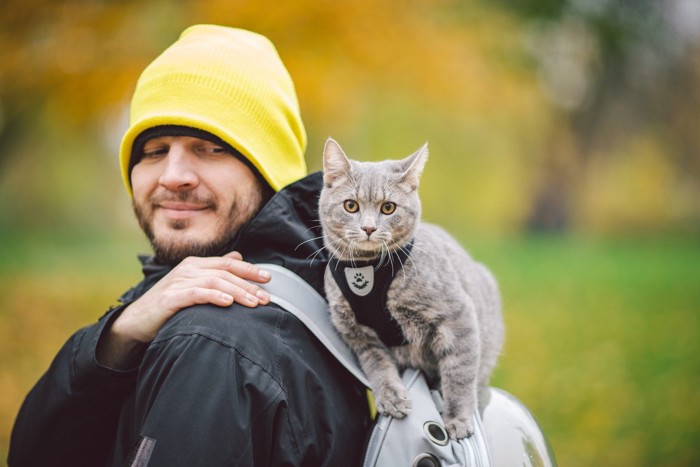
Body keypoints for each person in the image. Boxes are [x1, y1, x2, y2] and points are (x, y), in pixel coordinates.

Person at [8, 25, 370, 466]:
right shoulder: (311, 298)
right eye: (155, 150)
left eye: (210, 148)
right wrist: (117, 336)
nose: (173, 175)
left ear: (268, 175)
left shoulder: (215, 342)